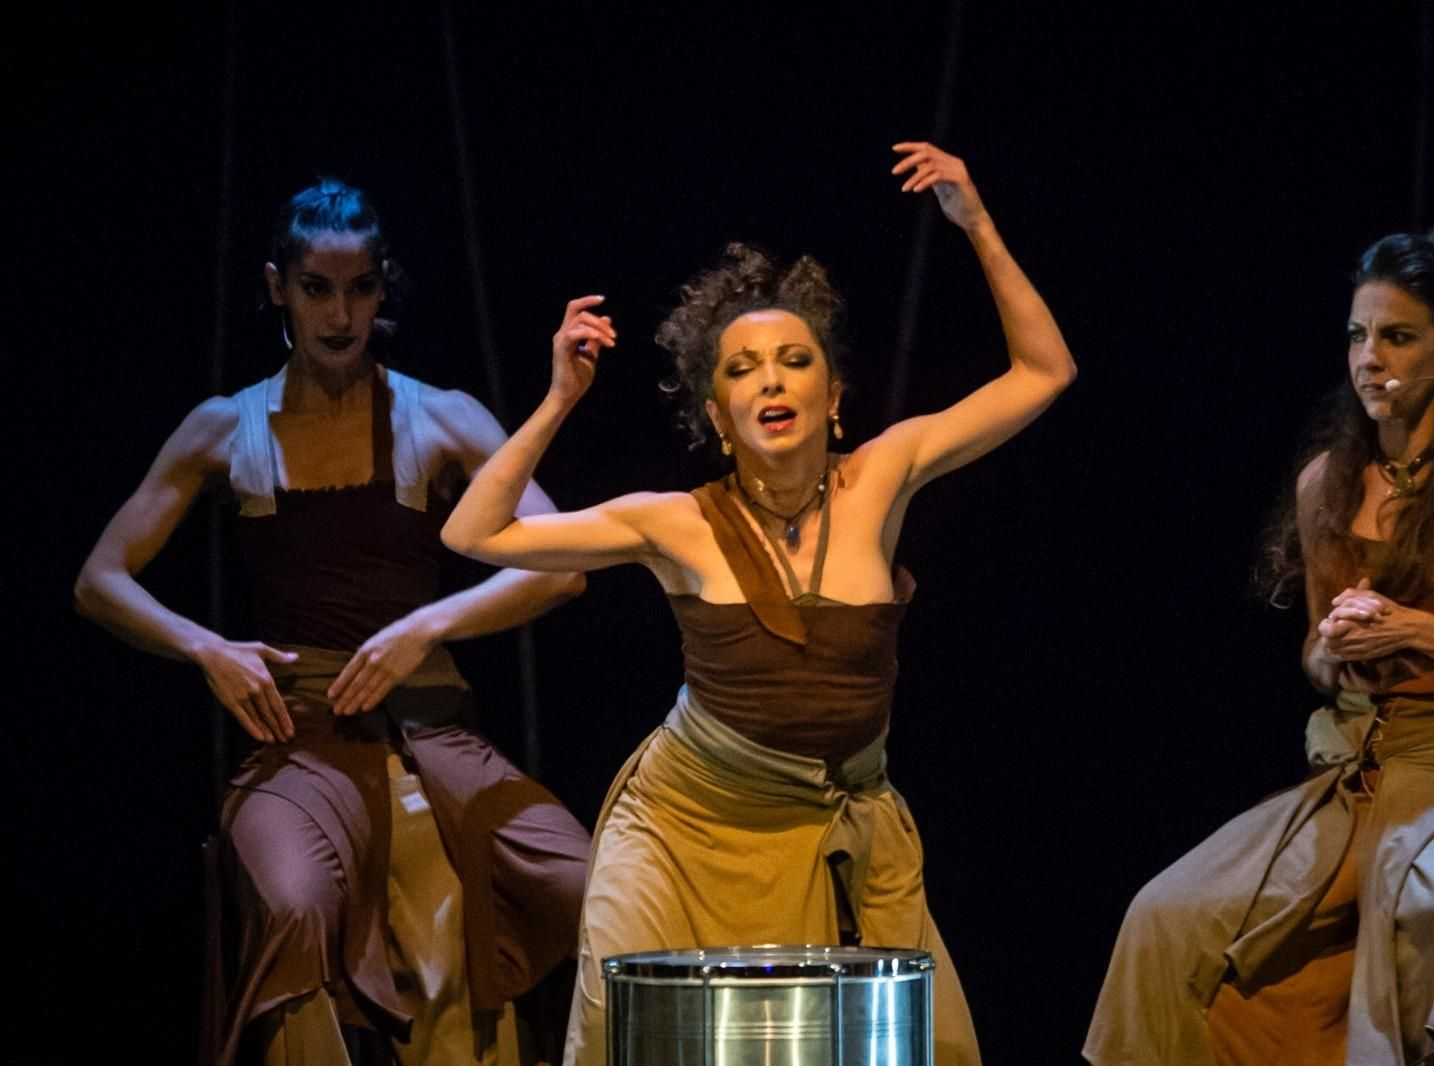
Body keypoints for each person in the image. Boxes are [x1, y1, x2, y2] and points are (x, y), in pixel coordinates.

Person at [442, 142, 1076, 1064]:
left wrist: (974, 220)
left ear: (833, 396)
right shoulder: (677, 523)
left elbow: (1044, 371)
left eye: (793, 360)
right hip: (683, 828)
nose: (771, 379)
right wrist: (559, 399)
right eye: (742, 369)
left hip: (839, 821)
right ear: (717, 415)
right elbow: (475, 531)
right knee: (632, 1036)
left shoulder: (882, 476)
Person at [74, 179, 593, 1065]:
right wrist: (206, 648)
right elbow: (99, 580)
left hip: (433, 731)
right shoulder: (225, 427)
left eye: (360, 288)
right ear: (278, 286)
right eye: (317, 288)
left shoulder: (441, 415)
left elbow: (562, 566)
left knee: (587, 886)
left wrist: (425, 627)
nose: (341, 314)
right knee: (295, 906)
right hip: (298, 739)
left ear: (383, 287)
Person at [1084, 225, 1434, 1066]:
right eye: (1358, 335)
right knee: (1167, 915)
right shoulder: (1326, 482)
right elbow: (1319, 665)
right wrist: (1334, 644)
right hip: (1364, 772)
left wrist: (1414, 627)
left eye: (1398, 337)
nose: (1370, 358)